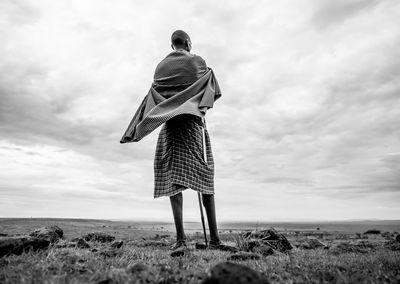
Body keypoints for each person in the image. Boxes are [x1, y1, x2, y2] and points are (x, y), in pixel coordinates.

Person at [152, 30, 227, 252]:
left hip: (171, 125)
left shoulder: (159, 68)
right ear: (188, 43)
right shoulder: (198, 62)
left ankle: (180, 240)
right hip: (193, 124)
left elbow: (155, 95)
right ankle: (214, 239)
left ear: (172, 44)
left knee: (174, 181)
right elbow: (209, 88)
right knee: (205, 177)